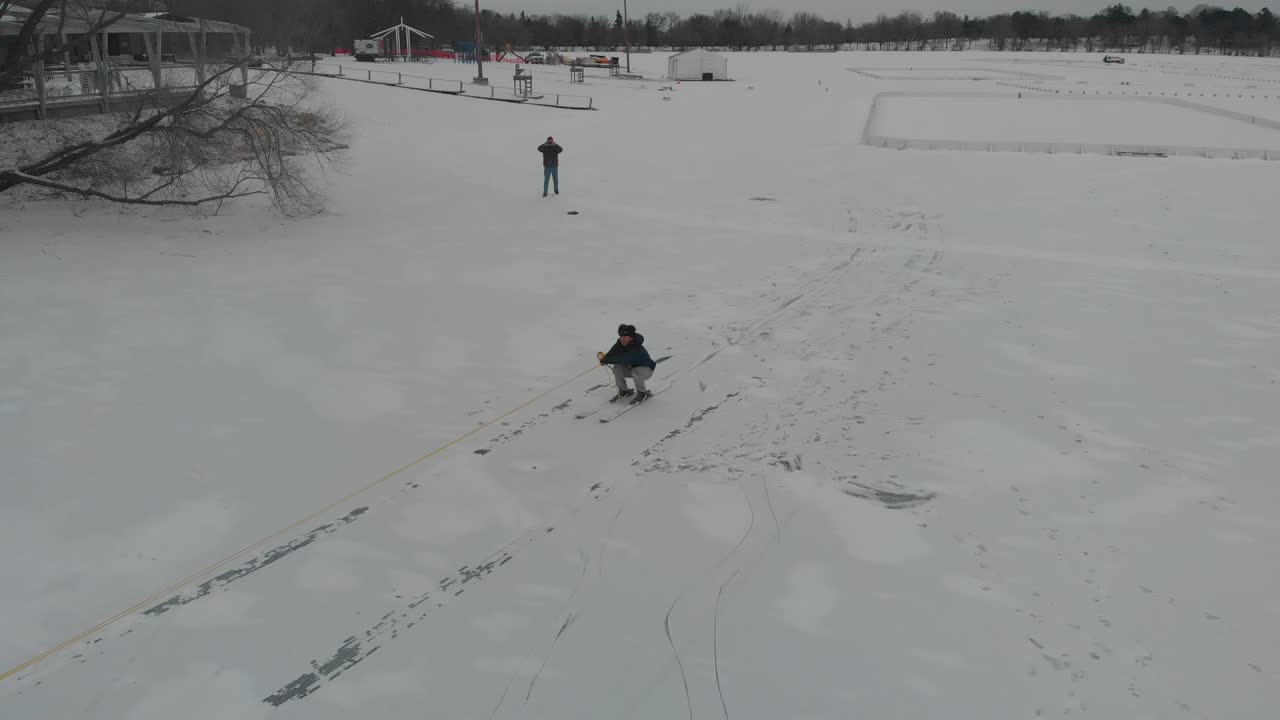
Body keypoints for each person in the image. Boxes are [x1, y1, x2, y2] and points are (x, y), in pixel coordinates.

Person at [598, 324, 656, 404]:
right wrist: (604, 359)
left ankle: (642, 393)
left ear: (631, 338)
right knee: (617, 367)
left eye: (625, 337)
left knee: (635, 371)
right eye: (621, 336)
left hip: (647, 369)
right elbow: (612, 353)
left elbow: (624, 358)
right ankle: (624, 391)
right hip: (633, 369)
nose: (622, 339)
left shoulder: (636, 347)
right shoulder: (619, 344)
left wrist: (608, 360)